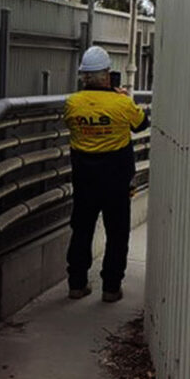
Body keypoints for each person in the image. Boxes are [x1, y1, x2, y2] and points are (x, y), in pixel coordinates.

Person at [63, 46, 149, 303]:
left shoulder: (72, 104)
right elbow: (142, 123)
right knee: (117, 231)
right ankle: (111, 287)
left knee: (81, 230)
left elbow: (69, 124)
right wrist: (123, 98)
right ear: (107, 75)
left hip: (84, 178)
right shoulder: (122, 104)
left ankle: (76, 284)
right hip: (116, 178)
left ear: (84, 76)